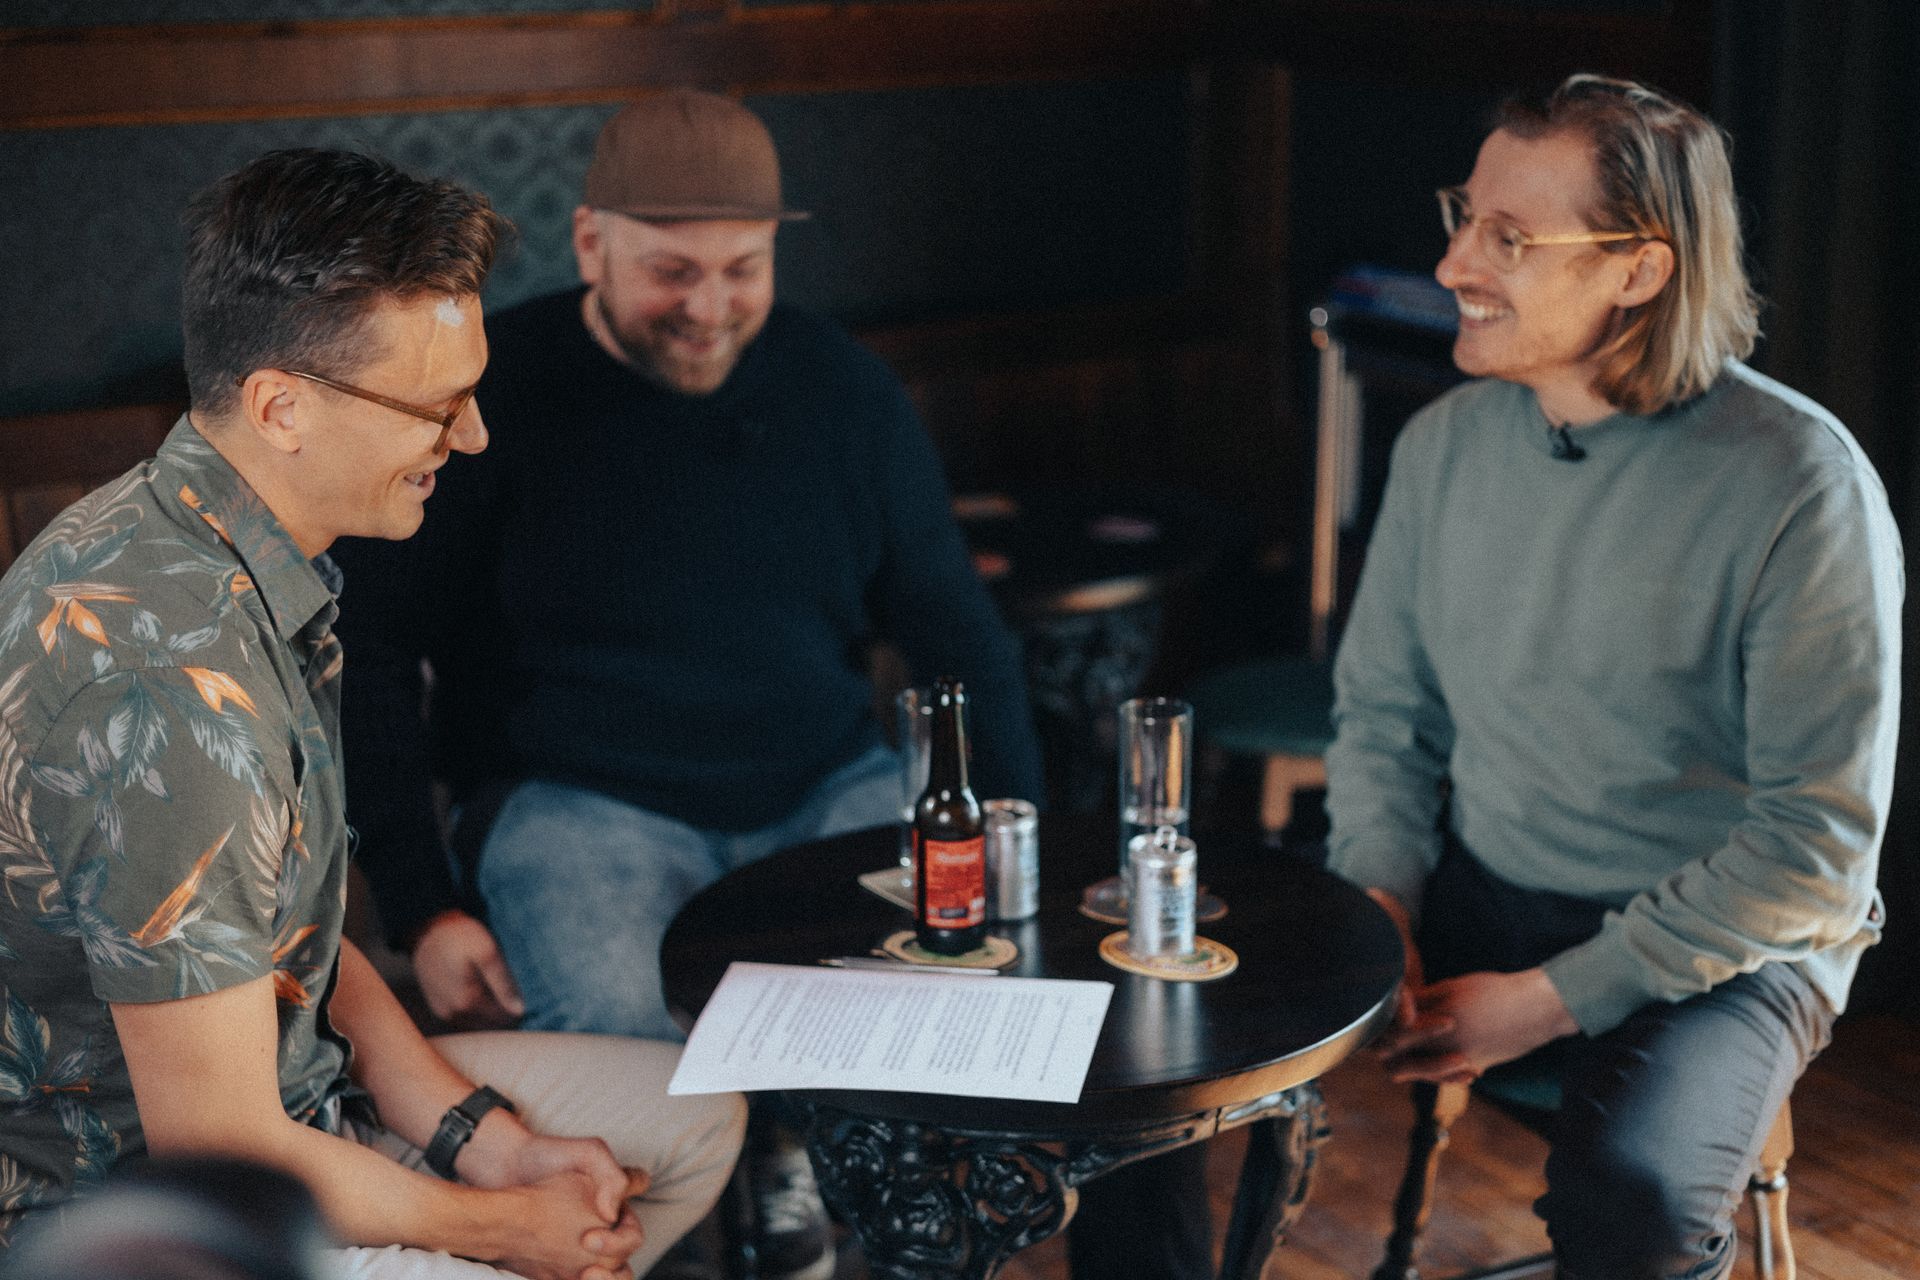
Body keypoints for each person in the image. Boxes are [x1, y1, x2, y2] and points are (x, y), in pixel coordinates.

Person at [0, 147, 744, 1279]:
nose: (476, 434)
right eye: (438, 405)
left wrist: (485, 1143)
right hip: (154, 1218)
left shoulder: (222, 545)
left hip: (306, 1106)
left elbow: (297, 937)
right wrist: (507, 1230)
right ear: (280, 406)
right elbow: (223, 1143)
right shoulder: (165, 690)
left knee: (697, 1122)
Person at [1324, 74, 1900, 1279]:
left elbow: (1815, 848)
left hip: (1730, 942)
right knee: (1190, 1051)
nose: (1451, 266)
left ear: (1639, 270)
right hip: (1494, 883)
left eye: (1509, 238)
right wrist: (1376, 895)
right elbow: (1385, 715)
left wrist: (1544, 1000)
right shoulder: (1442, 446)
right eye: (1464, 216)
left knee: (1632, 1198)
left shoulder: (1805, 483)